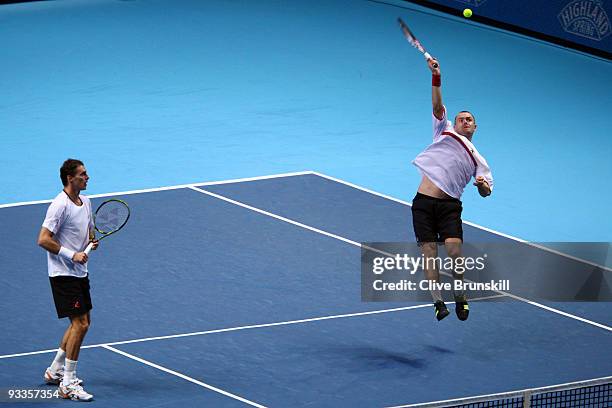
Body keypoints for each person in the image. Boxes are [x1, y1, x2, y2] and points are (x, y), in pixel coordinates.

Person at [411, 57, 493, 321]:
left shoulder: (479, 160)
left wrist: (481, 186)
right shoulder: (443, 131)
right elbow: (436, 105)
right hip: (423, 203)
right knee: (430, 253)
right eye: (461, 119)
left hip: (449, 207)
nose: (465, 122)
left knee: (456, 253)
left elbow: (487, 192)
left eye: (469, 120)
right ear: (454, 123)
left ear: (475, 126)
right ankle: (438, 302)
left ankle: (460, 295)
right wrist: (436, 76)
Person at [37, 159, 98, 401]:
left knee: (83, 323)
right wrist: (72, 254)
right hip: (63, 274)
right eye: (83, 174)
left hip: (79, 273)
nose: (88, 177)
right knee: (80, 325)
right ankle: (68, 384)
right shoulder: (59, 205)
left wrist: (91, 242)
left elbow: (88, 231)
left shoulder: (87, 202)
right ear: (70, 178)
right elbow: (43, 239)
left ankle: (55, 371)